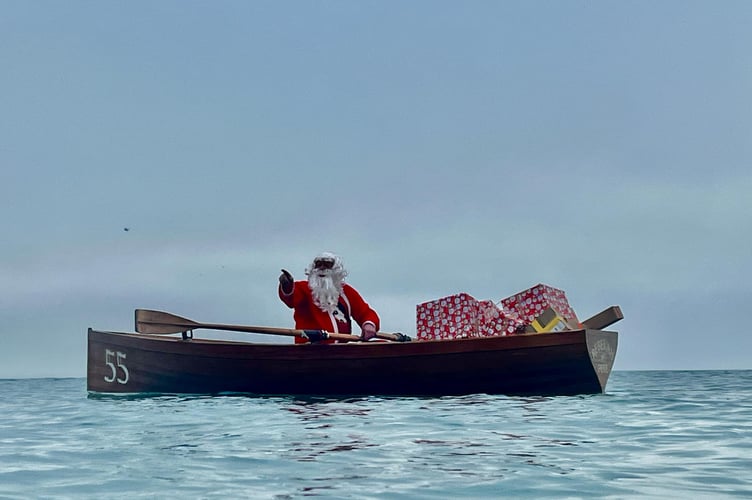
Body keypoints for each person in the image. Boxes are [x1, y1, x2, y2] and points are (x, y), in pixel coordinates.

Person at [278, 252, 380, 344]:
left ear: (336, 269)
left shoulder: (346, 292)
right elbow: (290, 298)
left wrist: (369, 324)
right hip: (310, 348)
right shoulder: (303, 288)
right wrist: (287, 286)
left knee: (382, 345)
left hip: (341, 349)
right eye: (318, 265)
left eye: (327, 265)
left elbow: (365, 312)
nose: (322, 268)